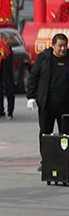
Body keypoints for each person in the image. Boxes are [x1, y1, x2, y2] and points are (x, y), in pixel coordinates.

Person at [26, 33, 69, 172]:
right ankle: (46, 161)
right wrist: (31, 97)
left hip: (66, 105)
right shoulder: (44, 58)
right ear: (53, 45)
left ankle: (65, 161)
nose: (63, 49)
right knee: (46, 133)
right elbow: (33, 77)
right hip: (47, 104)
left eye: (65, 46)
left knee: (65, 135)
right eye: (60, 46)